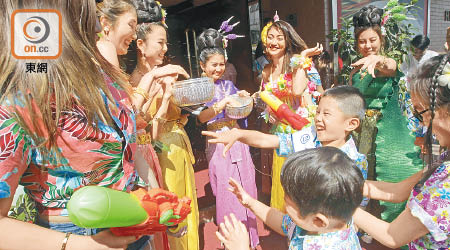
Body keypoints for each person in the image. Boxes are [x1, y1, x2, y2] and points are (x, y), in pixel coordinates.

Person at [0, 0, 189, 249]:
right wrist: (80, 244)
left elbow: (131, 153)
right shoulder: (21, 97)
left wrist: (159, 204)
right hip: (73, 234)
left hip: (135, 223)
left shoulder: (106, 75)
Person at [203, 85, 369, 207]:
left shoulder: (355, 162)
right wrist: (239, 134)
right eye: (318, 111)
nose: (318, 118)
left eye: (326, 114)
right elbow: (268, 141)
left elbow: (358, 208)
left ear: (351, 124)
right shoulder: (309, 137)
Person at [353, 53, 450, 249]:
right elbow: (397, 192)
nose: (421, 124)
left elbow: (392, 236)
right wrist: (341, 183)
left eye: (420, 112)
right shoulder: (445, 160)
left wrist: (330, 197)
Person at [128, 3, 199, 249]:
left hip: (178, 148)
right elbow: (143, 134)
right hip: (158, 156)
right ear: (140, 45)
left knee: (186, 209)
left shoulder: (163, 75)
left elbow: (179, 115)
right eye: (161, 43)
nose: (166, 49)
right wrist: (164, 99)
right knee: (169, 213)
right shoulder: (134, 84)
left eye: (166, 43)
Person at [349, 5, 423, 222]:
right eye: (362, 41)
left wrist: (378, 60)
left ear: (381, 39)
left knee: (386, 173)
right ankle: (365, 223)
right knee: (364, 175)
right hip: (360, 130)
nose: (367, 45)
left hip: (387, 131)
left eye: (372, 40)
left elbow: (390, 66)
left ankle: (393, 225)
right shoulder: (356, 68)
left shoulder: (389, 63)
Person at [218, 147, 364, 249]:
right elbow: (283, 223)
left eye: (288, 202)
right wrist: (249, 202)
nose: (284, 204)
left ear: (318, 220)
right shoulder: (332, 220)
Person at [195, 27, 260, 248]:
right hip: (218, 142)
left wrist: (241, 96)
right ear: (202, 65)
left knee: (245, 184)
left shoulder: (228, 84)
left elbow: (237, 111)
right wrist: (222, 104)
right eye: (214, 64)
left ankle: (248, 237)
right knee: (225, 189)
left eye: (221, 64)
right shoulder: (199, 89)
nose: (219, 68)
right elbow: (201, 118)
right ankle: (231, 239)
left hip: (237, 141)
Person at [258, 13, 323, 211]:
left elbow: (296, 90)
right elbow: (266, 100)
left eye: (280, 38)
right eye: (270, 37)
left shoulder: (297, 62)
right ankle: (285, 224)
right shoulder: (266, 70)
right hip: (280, 132)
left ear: (288, 41)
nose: (274, 42)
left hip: (300, 131)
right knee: (283, 178)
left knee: (302, 181)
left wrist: (303, 58)